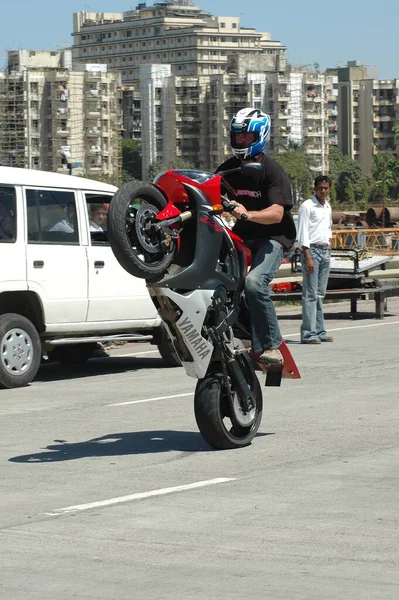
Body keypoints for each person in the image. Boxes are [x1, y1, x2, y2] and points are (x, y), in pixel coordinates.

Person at [216, 107, 296, 366]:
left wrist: (245, 214)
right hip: (241, 237)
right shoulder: (227, 169)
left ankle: (271, 346)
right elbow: (211, 194)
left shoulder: (273, 171)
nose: (240, 141)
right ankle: (239, 335)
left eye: (246, 137)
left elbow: (276, 214)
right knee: (222, 284)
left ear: (261, 136)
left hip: (273, 238)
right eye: (237, 136)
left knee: (254, 283)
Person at [297, 175, 333, 344]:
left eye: (326, 188)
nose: (323, 191)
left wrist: (330, 244)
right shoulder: (307, 206)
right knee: (310, 294)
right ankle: (308, 333)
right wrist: (307, 255)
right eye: (320, 188)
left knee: (320, 294)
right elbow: (303, 231)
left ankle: (319, 331)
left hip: (325, 251)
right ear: (315, 188)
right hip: (312, 252)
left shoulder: (327, 206)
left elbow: (328, 228)